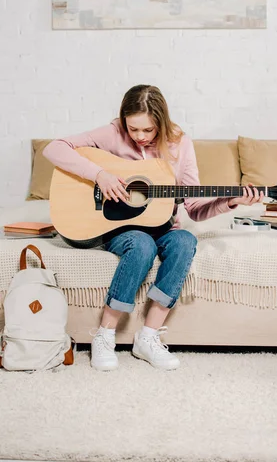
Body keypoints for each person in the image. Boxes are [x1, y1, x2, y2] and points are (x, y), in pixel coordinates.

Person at [43, 85, 264, 372]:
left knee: (184, 241)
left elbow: (195, 208)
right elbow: (53, 148)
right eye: (133, 129)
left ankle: (148, 336)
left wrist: (231, 200)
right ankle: (105, 334)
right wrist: (99, 174)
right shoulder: (113, 133)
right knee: (142, 244)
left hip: (164, 226)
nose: (140, 137)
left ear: (161, 121)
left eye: (148, 130)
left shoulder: (180, 144)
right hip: (121, 229)